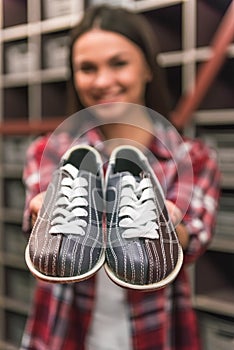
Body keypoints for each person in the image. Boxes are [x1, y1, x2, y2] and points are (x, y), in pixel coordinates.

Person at [21, 5, 220, 350]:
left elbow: (196, 237)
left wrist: (169, 226)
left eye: (118, 63)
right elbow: (44, 248)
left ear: (146, 68)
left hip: (157, 327)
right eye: (87, 68)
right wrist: (42, 216)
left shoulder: (193, 157)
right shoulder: (47, 152)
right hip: (61, 328)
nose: (102, 81)